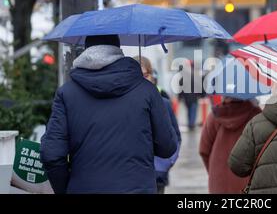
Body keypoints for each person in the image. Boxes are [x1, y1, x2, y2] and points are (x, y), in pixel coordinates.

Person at [41, 35, 177, 194]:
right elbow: (167, 147)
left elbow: (51, 154)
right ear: (118, 51)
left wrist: (65, 188)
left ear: (85, 52)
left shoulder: (66, 93)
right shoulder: (147, 90)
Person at [133, 56, 182, 194]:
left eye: (145, 75)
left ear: (152, 76)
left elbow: (175, 137)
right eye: (137, 75)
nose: (142, 79)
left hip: (157, 175)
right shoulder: (122, 104)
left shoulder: (163, 103)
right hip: (132, 177)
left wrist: (164, 164)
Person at [199, 97, 261, 194]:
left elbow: (204, 150)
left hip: (218, 182)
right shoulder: (256, 116)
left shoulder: (214, 116)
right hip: (247, 182)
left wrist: (213, 172)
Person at [178, 61, 203, 131]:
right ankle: (191, 124)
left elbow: (180, 89)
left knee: (189, 110)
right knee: (193, 110)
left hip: (186, 98)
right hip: (194, 97)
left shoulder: (183, 78)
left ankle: (190, 123)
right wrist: (201, 95)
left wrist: (180, 97)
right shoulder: (195, 76)